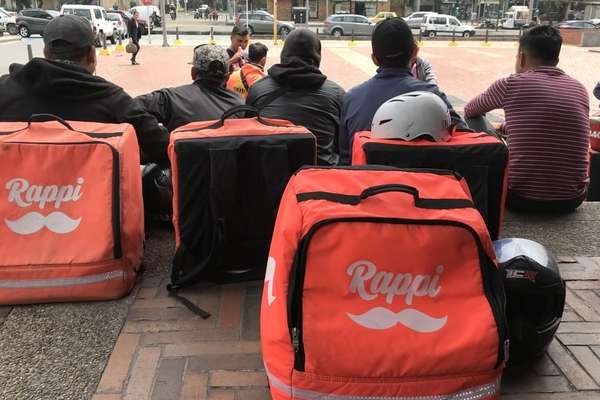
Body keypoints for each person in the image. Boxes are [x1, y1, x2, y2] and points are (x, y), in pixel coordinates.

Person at [0, 14, 168, 163]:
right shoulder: (114, 100)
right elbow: (163, 147)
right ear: (91, 55)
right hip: (95, 197)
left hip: (13, 194)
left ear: (45, 52)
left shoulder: (5, 89)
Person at [464, 25, 589, 213]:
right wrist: (509, 127)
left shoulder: (510, 84)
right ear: (556, 58)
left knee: (474, 121)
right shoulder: (579, 89)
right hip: (573, 199)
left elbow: (470, 110)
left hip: (520, 198)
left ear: (521, 57)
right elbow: (551, 123)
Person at [339, 18, 466, 165]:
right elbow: (464, 141)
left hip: (367, 184)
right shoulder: (434, 97)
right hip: (424, 185)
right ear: (415, 52)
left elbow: (345, 160)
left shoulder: (351, 99)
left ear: (374, 59)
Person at [246, 29, 345, 166]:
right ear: (317, 56)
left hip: (268, 178)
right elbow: (343, 146)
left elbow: (247, 136)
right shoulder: (337, 94)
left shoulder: (257, 90)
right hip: (318, 180)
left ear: (284, 54)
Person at [136, 44, 244, 133]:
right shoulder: (240, 105)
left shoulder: (170, 98)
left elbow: (129, 107)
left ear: (193, 73)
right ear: (228, 77)